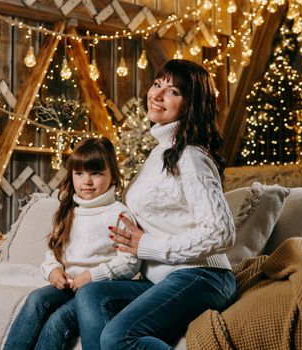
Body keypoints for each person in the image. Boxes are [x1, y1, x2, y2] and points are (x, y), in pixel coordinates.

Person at [75, 59, 237, 350]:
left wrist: (149, 246)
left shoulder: (191, 157)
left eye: (173, 91)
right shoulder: (159, 153)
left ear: (191, 104)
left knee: (118, 337)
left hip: (202, 275)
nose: (157, 95)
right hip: (162, 278)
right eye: (157, 84)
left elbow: (221, 232)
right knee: (90, 295)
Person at [3, 137, 140, 350]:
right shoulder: (69, 212)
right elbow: (52, 253)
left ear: (112, 177)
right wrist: (53, 271)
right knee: (35, 300)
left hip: (97, 291)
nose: (87, 181)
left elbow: (130, 262)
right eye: (79, 173)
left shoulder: (118, 214)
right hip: (68, 285)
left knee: (57, 322)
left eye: (96, 173)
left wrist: (92, 276)